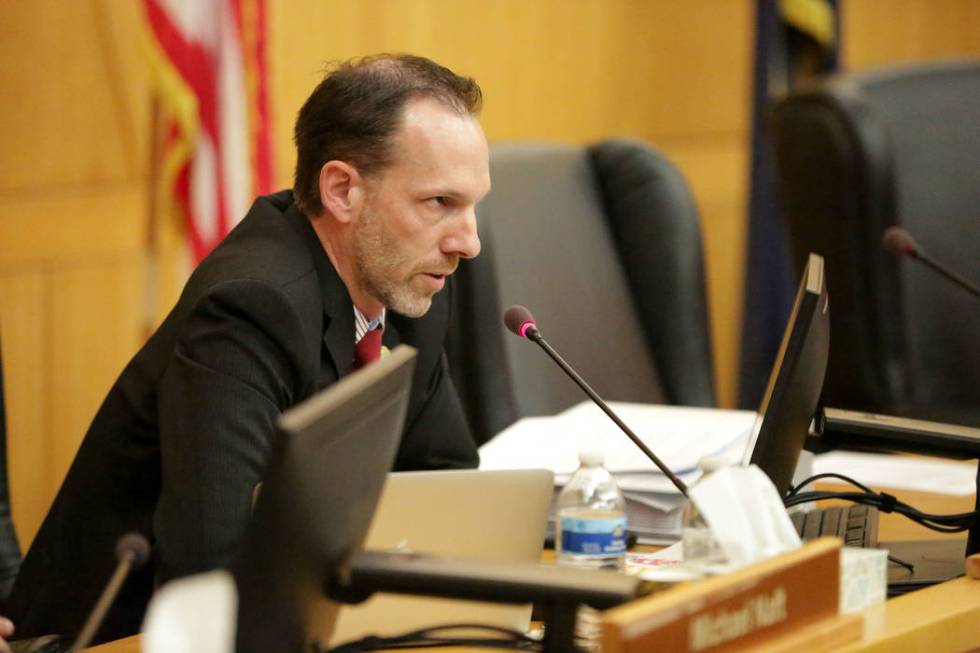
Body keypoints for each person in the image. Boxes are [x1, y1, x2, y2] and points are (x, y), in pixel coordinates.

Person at [7, 53, 490, 645]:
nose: (469, 243)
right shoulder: (250, 307)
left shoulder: (409, 283)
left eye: (473, 205)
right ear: (341, 190)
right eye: (440, 203)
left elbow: (443, 480)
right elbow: (211, 575)